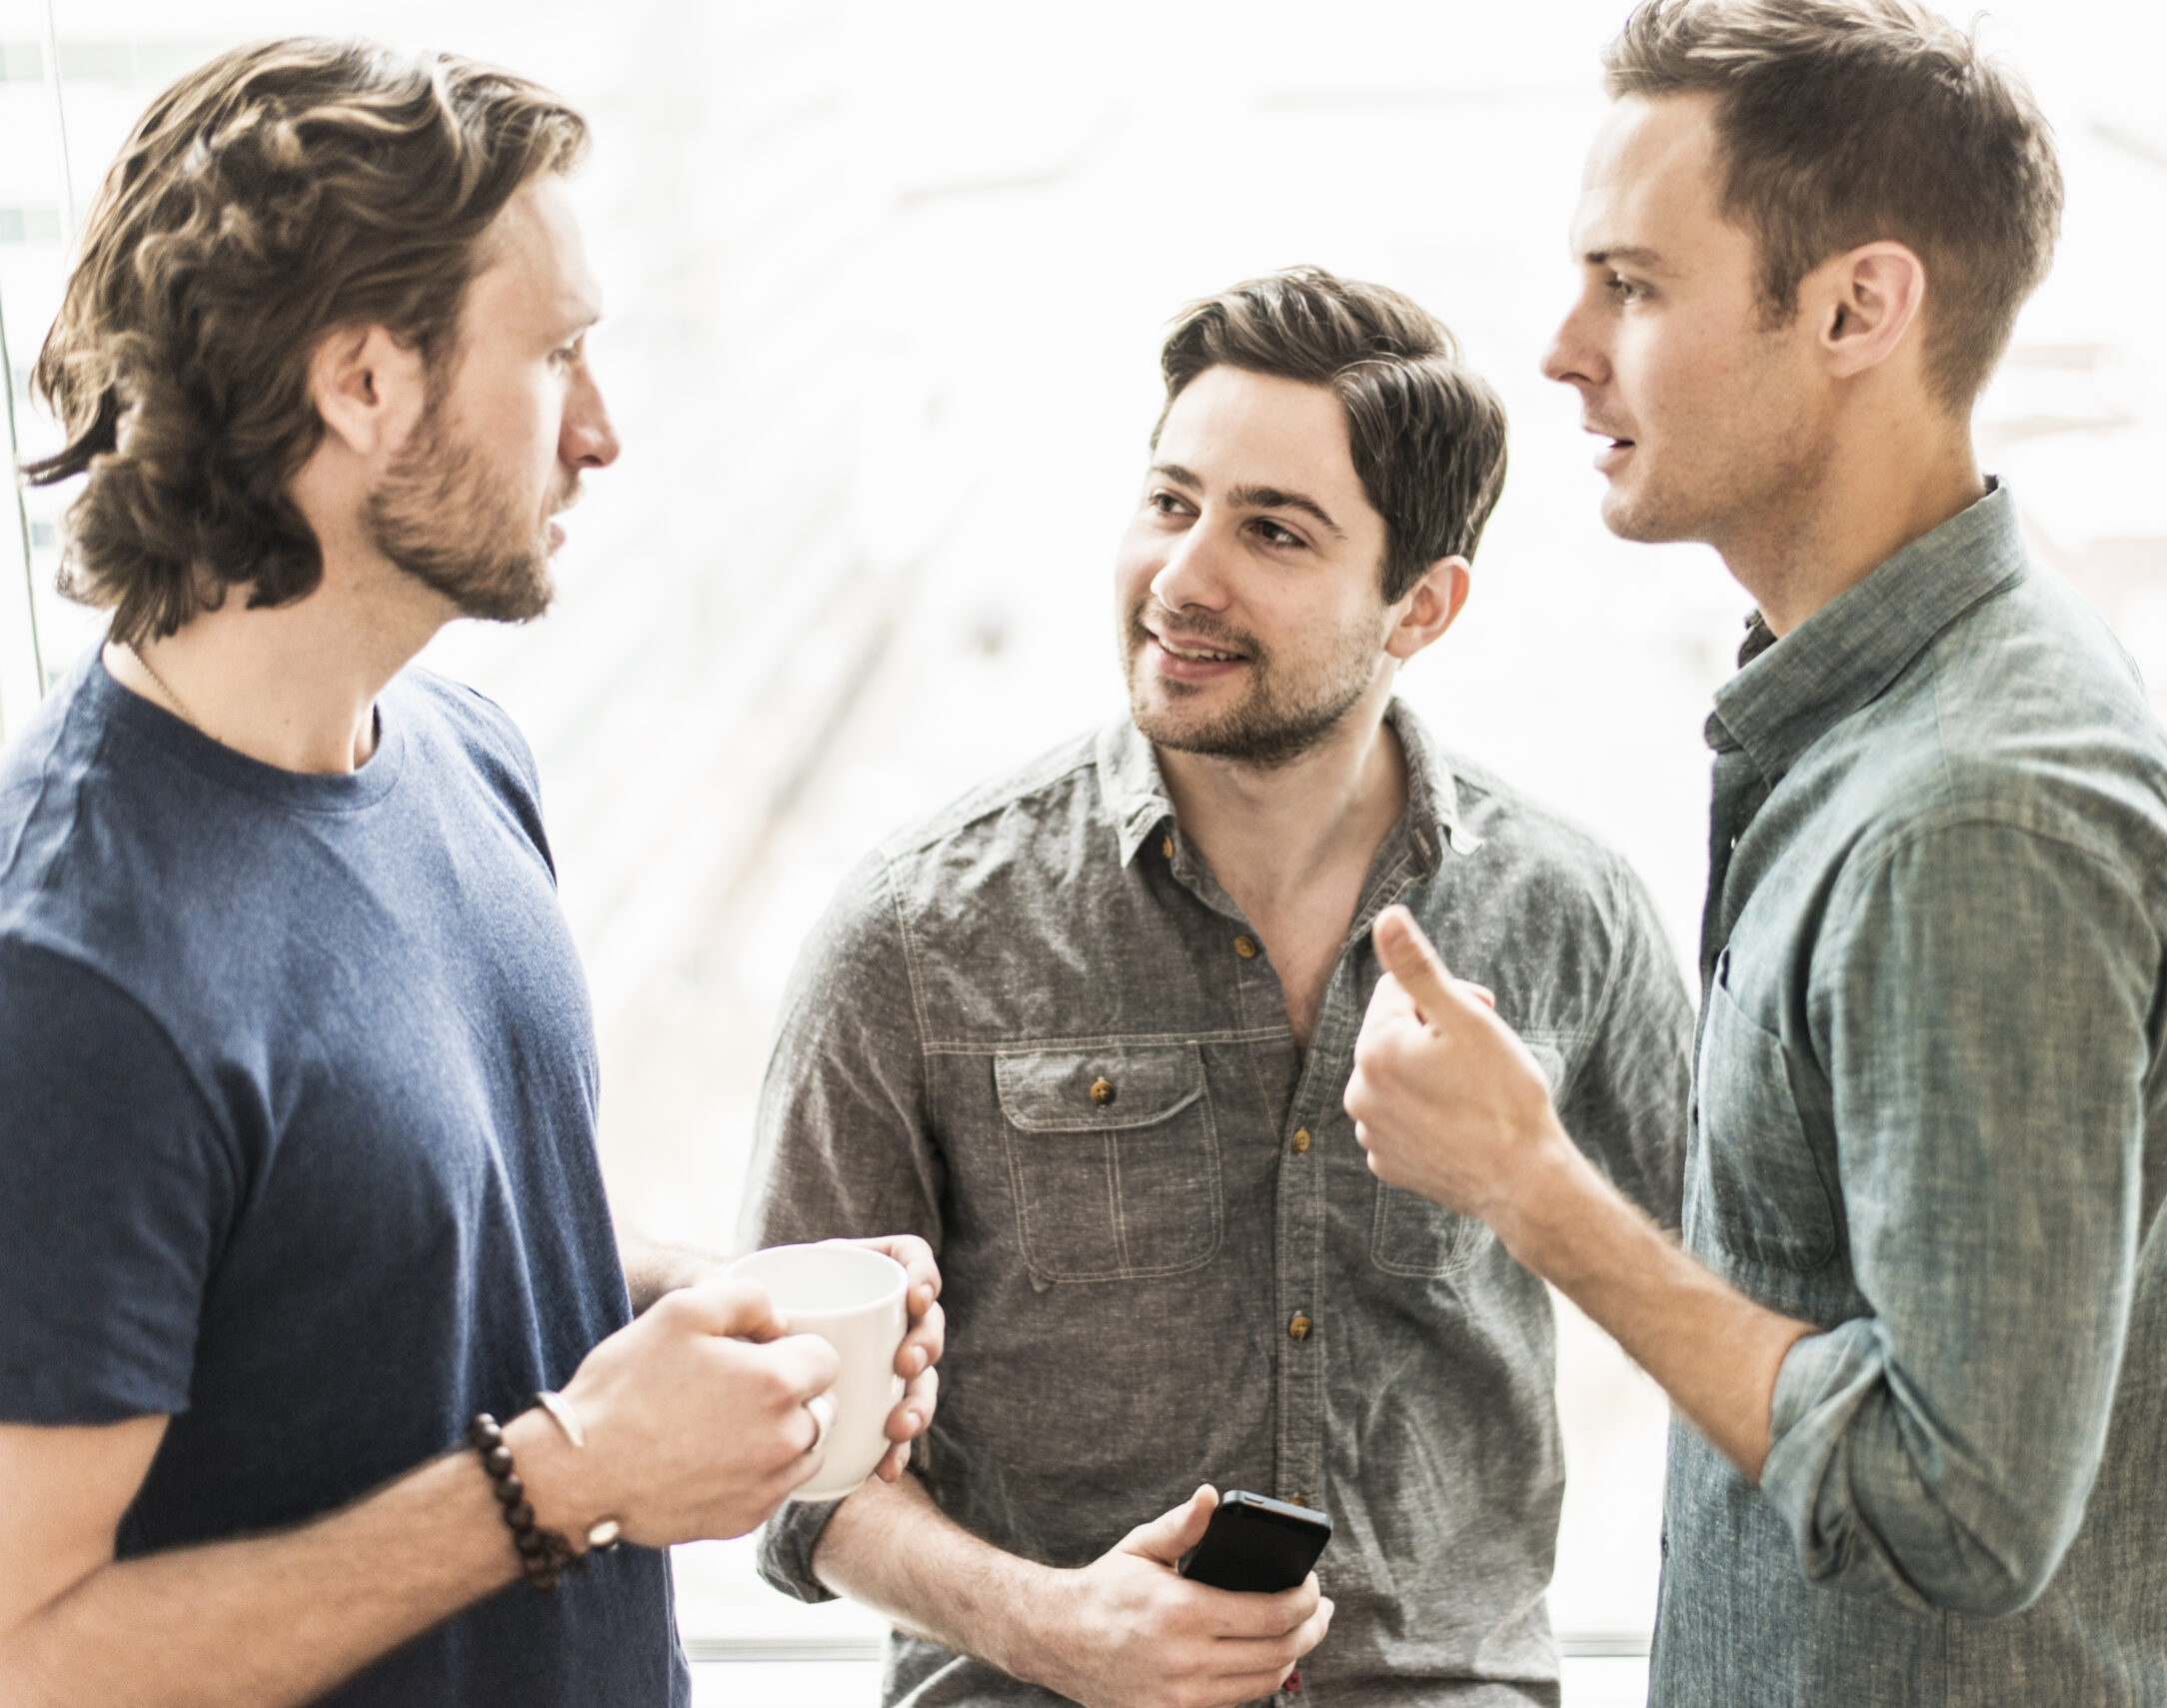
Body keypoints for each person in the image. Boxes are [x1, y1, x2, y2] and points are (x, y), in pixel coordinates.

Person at [0, 40, 942, 1708]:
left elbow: (438, 1255)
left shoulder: (455, 748)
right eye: (559, 355)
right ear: (365, 384)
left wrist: (711, 1303)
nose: (603, 430)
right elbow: (30, 1652)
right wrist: (568, 1478)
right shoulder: (75, 977)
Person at [1343, 3, 2167, 1704]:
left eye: (1636, 283)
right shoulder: (1879, 707)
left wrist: (1530, 1183)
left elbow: (1958, 1504)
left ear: (1856, 308)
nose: (1560, 345)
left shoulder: (1972, 816)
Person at [742, 267, 1692, 1707]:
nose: (1184, 575)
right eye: (1171, 502)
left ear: (1422, 607)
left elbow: (1735, 1326)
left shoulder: (1570, 916)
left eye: (1273, 530)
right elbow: (793, 1455)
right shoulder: (914, 935)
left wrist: (1538, 1180)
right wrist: (1050, 1622)